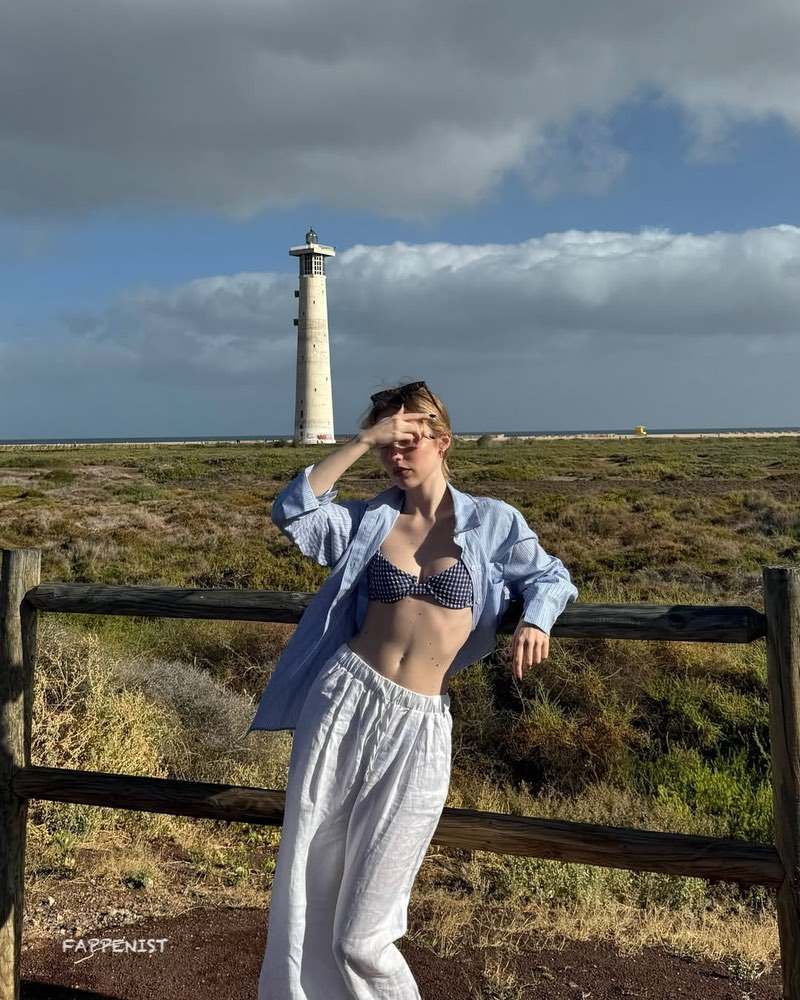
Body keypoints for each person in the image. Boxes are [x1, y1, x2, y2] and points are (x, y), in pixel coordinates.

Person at [256, 380, 578, 999]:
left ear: (443, 441)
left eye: (408, 441)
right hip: (344, 700)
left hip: (421, 722)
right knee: (309, 879)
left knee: (364, 933)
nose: (396, 455)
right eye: (387, 445)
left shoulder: (493, 522)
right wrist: (359, 442)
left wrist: (536, 619)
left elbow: (550, 575)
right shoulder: (369, 520)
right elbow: (293, 510)